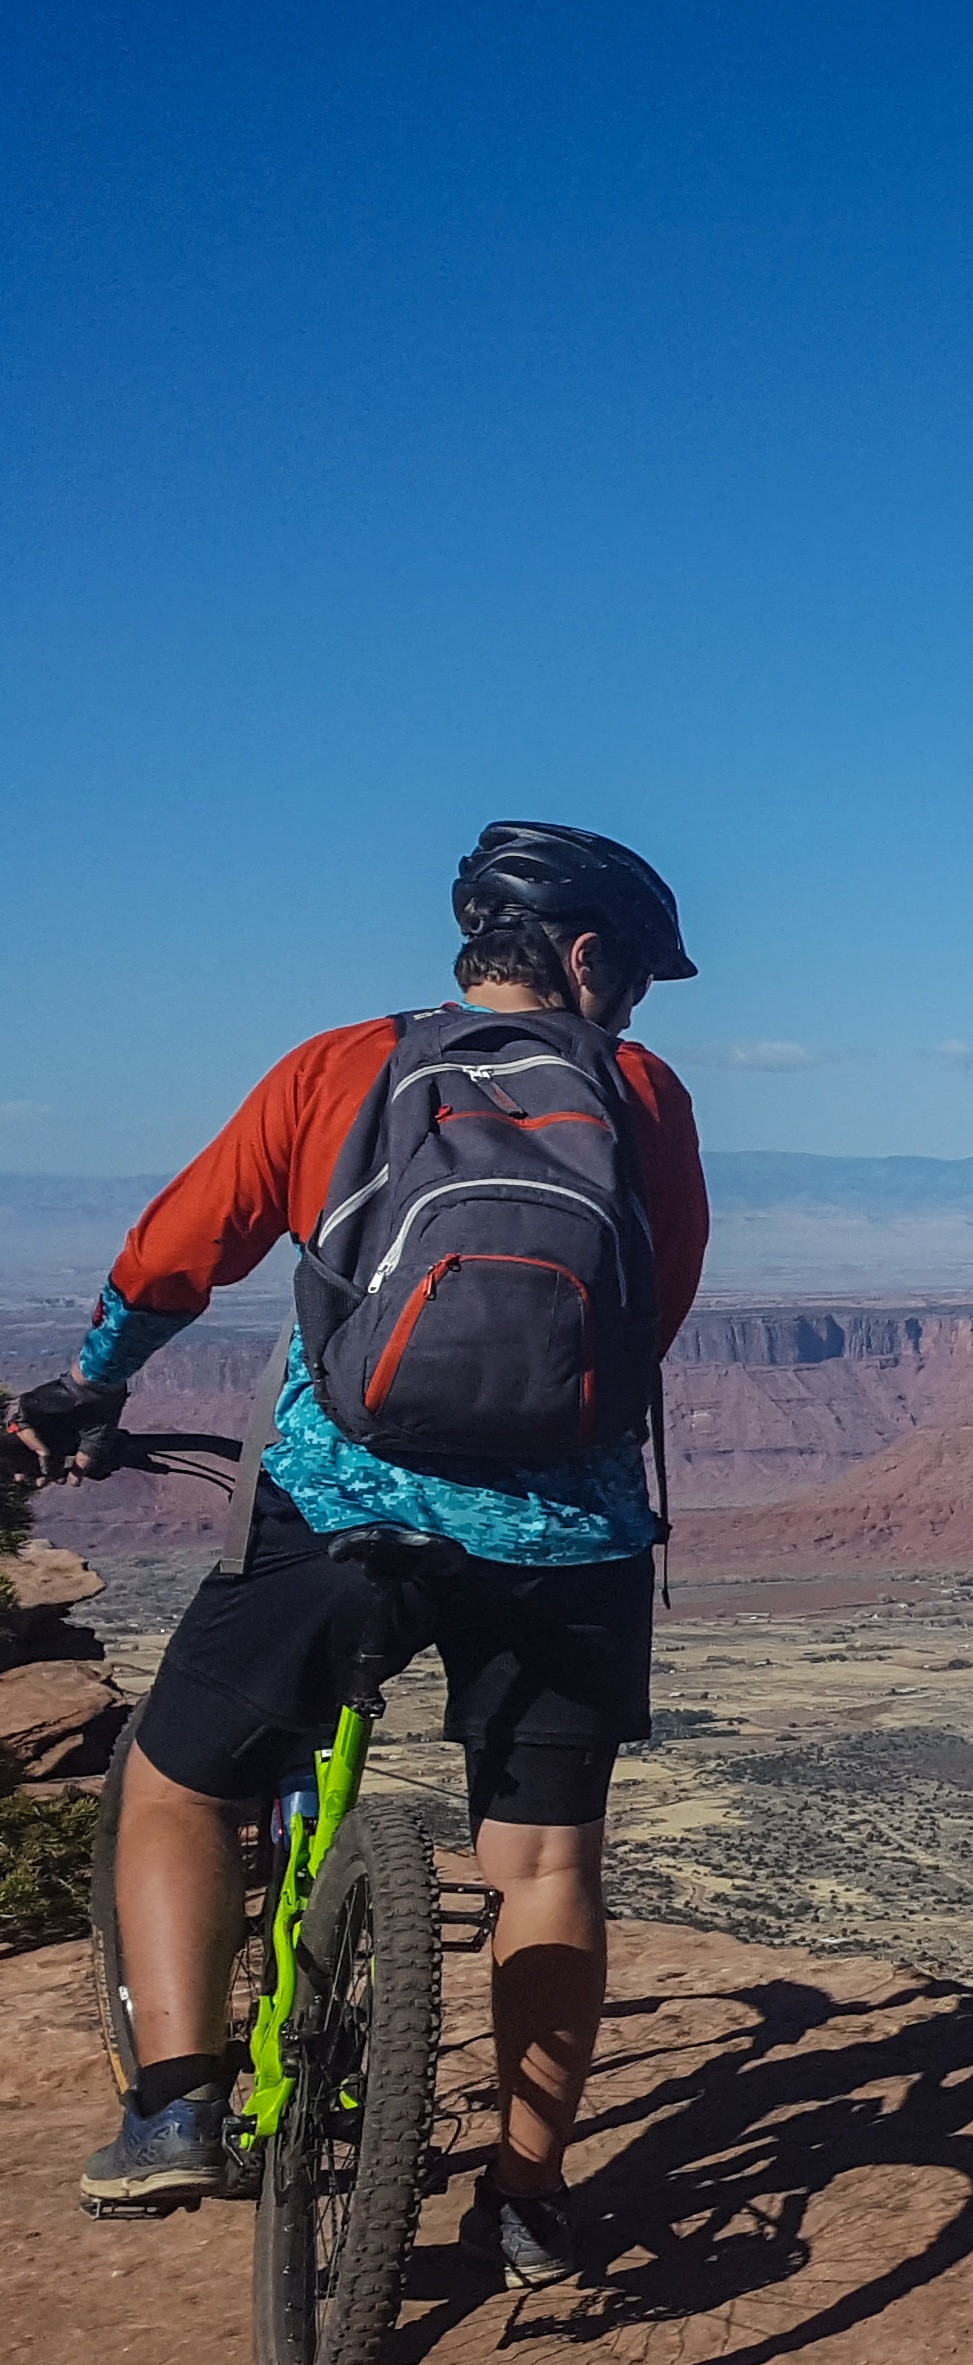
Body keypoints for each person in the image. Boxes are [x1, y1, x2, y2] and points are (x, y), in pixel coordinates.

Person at [10, 823, 710, 2285]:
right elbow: (651, 1317)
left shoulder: (340, 1066)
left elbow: (174, 1255)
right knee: (544, 1861)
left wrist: (88, 1388)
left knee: (178, 1779)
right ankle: (523, 2198)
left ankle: (177, 2109)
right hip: (565, 1537)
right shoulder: (640, 1093)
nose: (637, 1001)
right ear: (584, 957)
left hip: (337, 1505)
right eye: (633, 970)